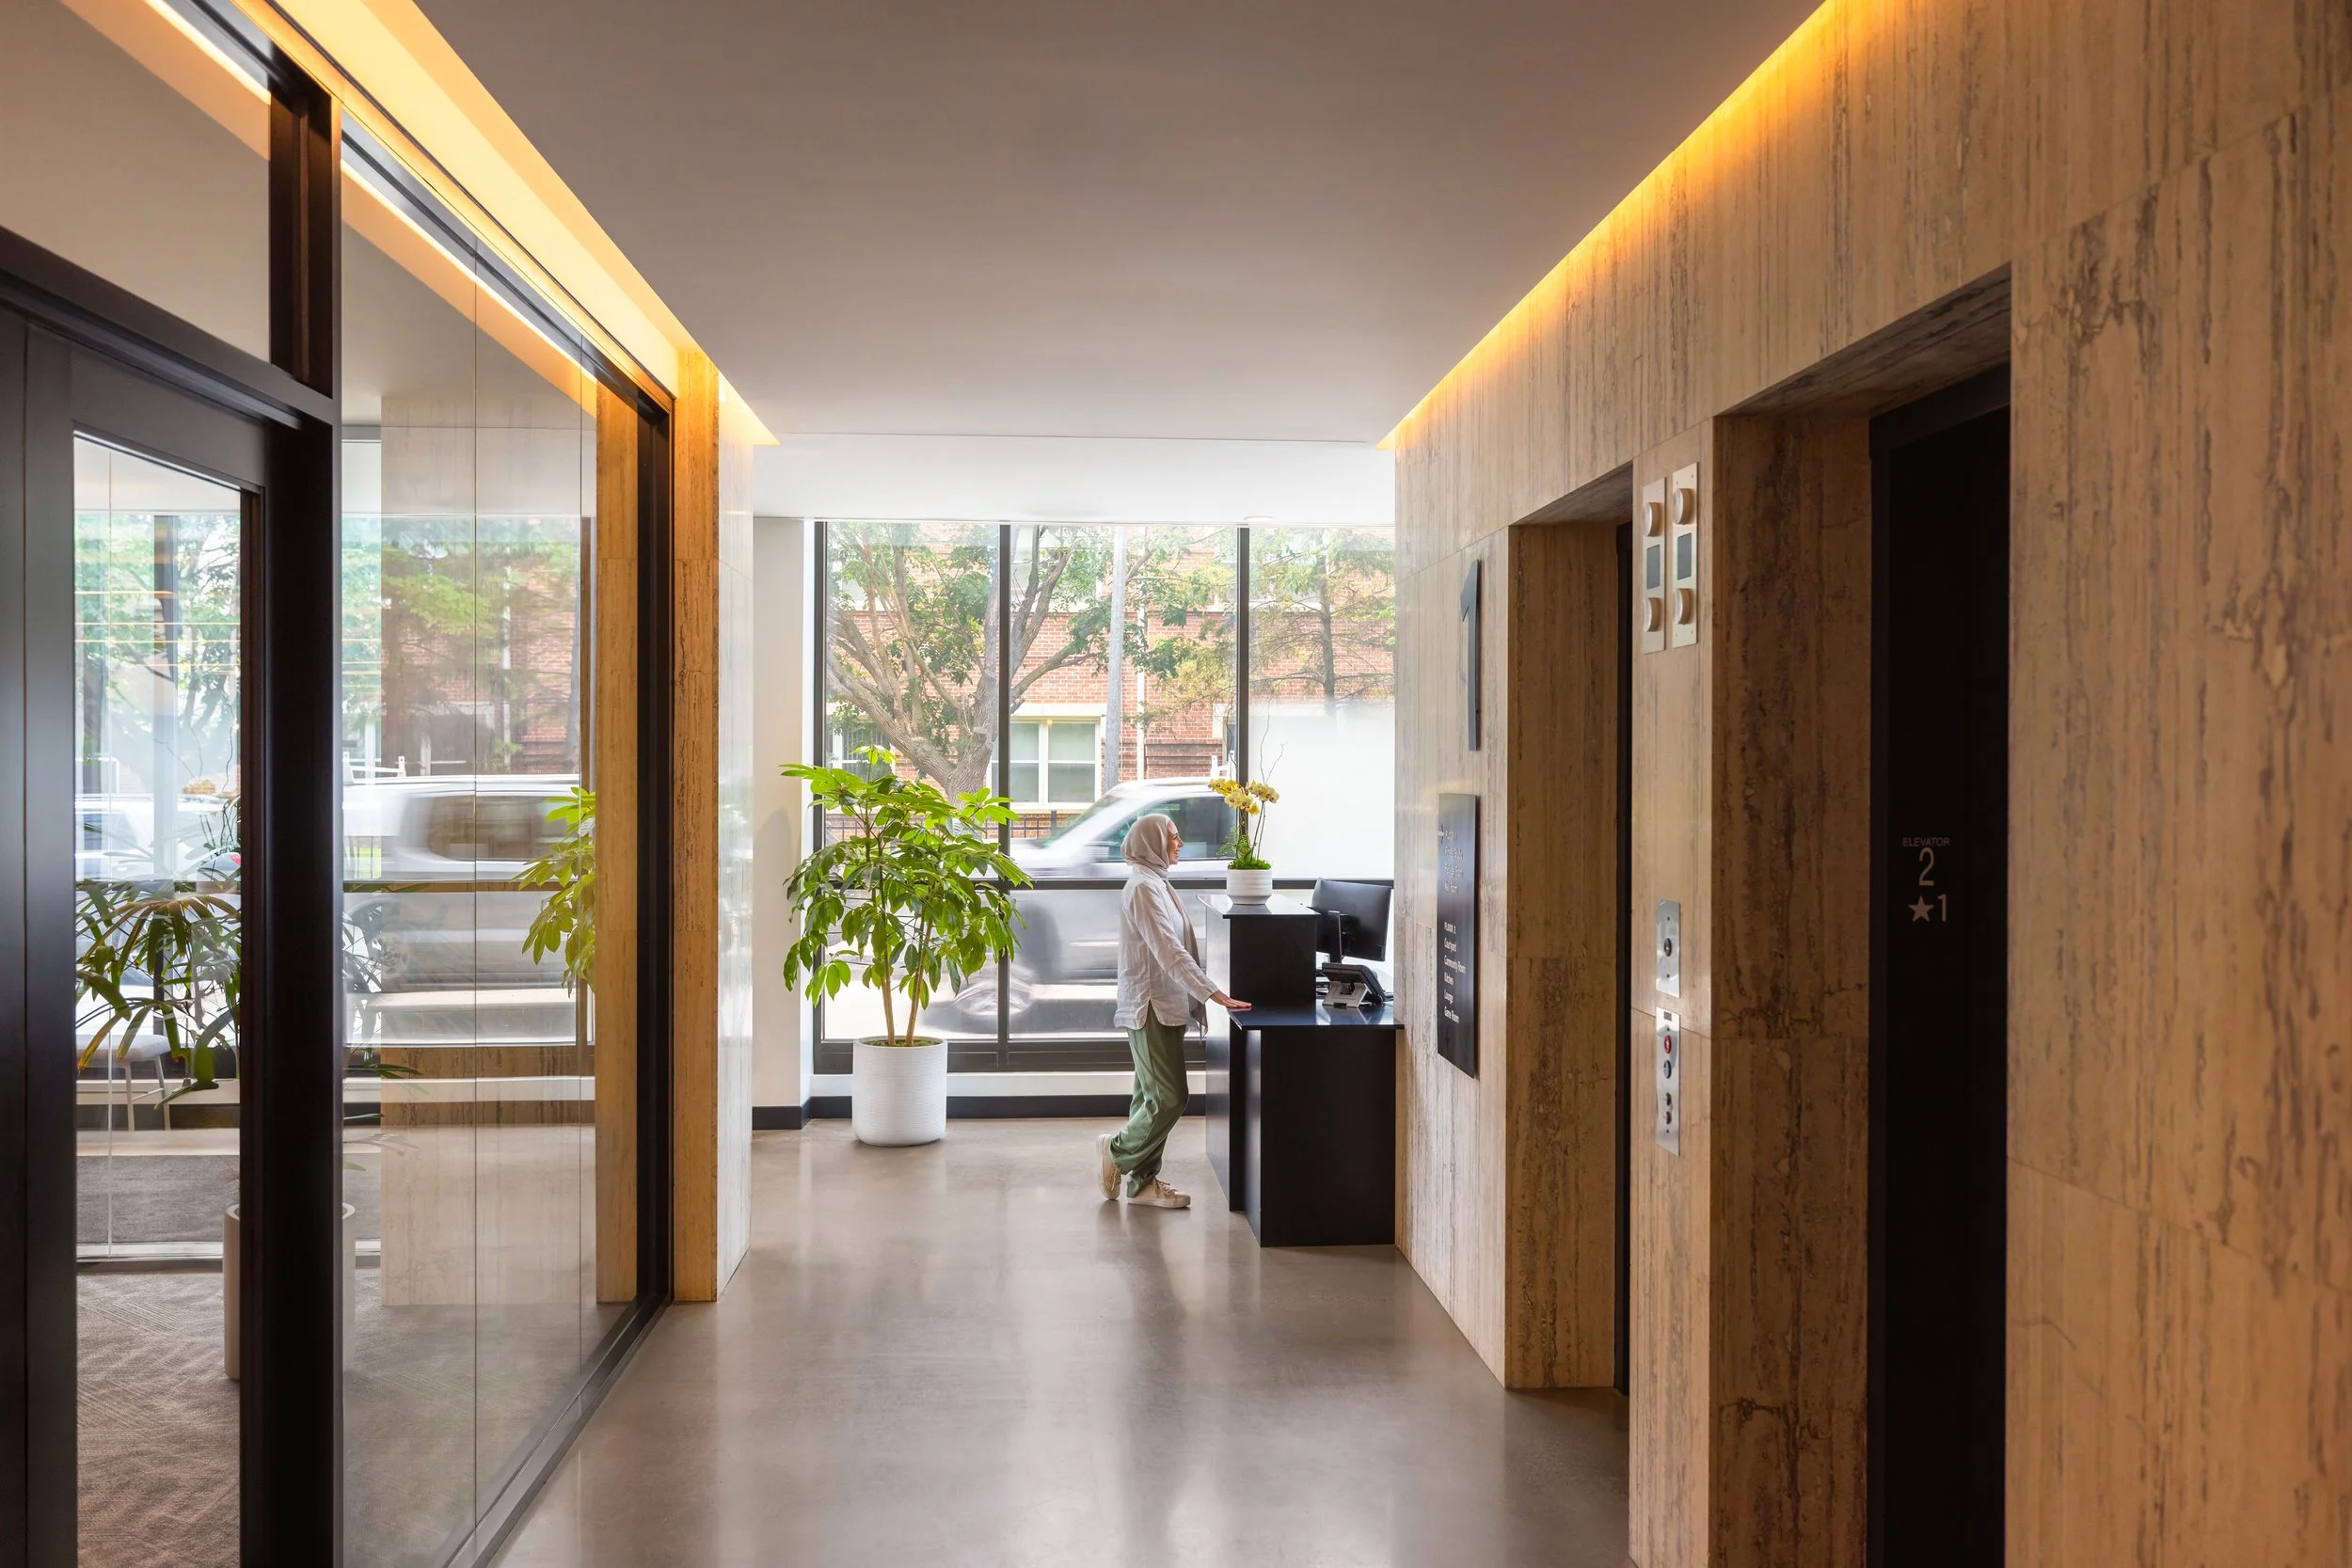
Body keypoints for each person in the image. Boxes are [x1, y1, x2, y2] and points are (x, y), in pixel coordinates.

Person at [1096, 812, 1248, 1208]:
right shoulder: (1144, 888)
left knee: (1150, 1098)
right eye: (1173, 837)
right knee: (1170, 1098)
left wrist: (1203, 989)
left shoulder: (1157, 882)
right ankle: (1115, 1150)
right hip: (1150, 1006)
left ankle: (1143, 1183)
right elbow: (1168, 950)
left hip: (1167, 1003)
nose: (1179, 843)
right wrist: (1211, 991)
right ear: (1151, 842)